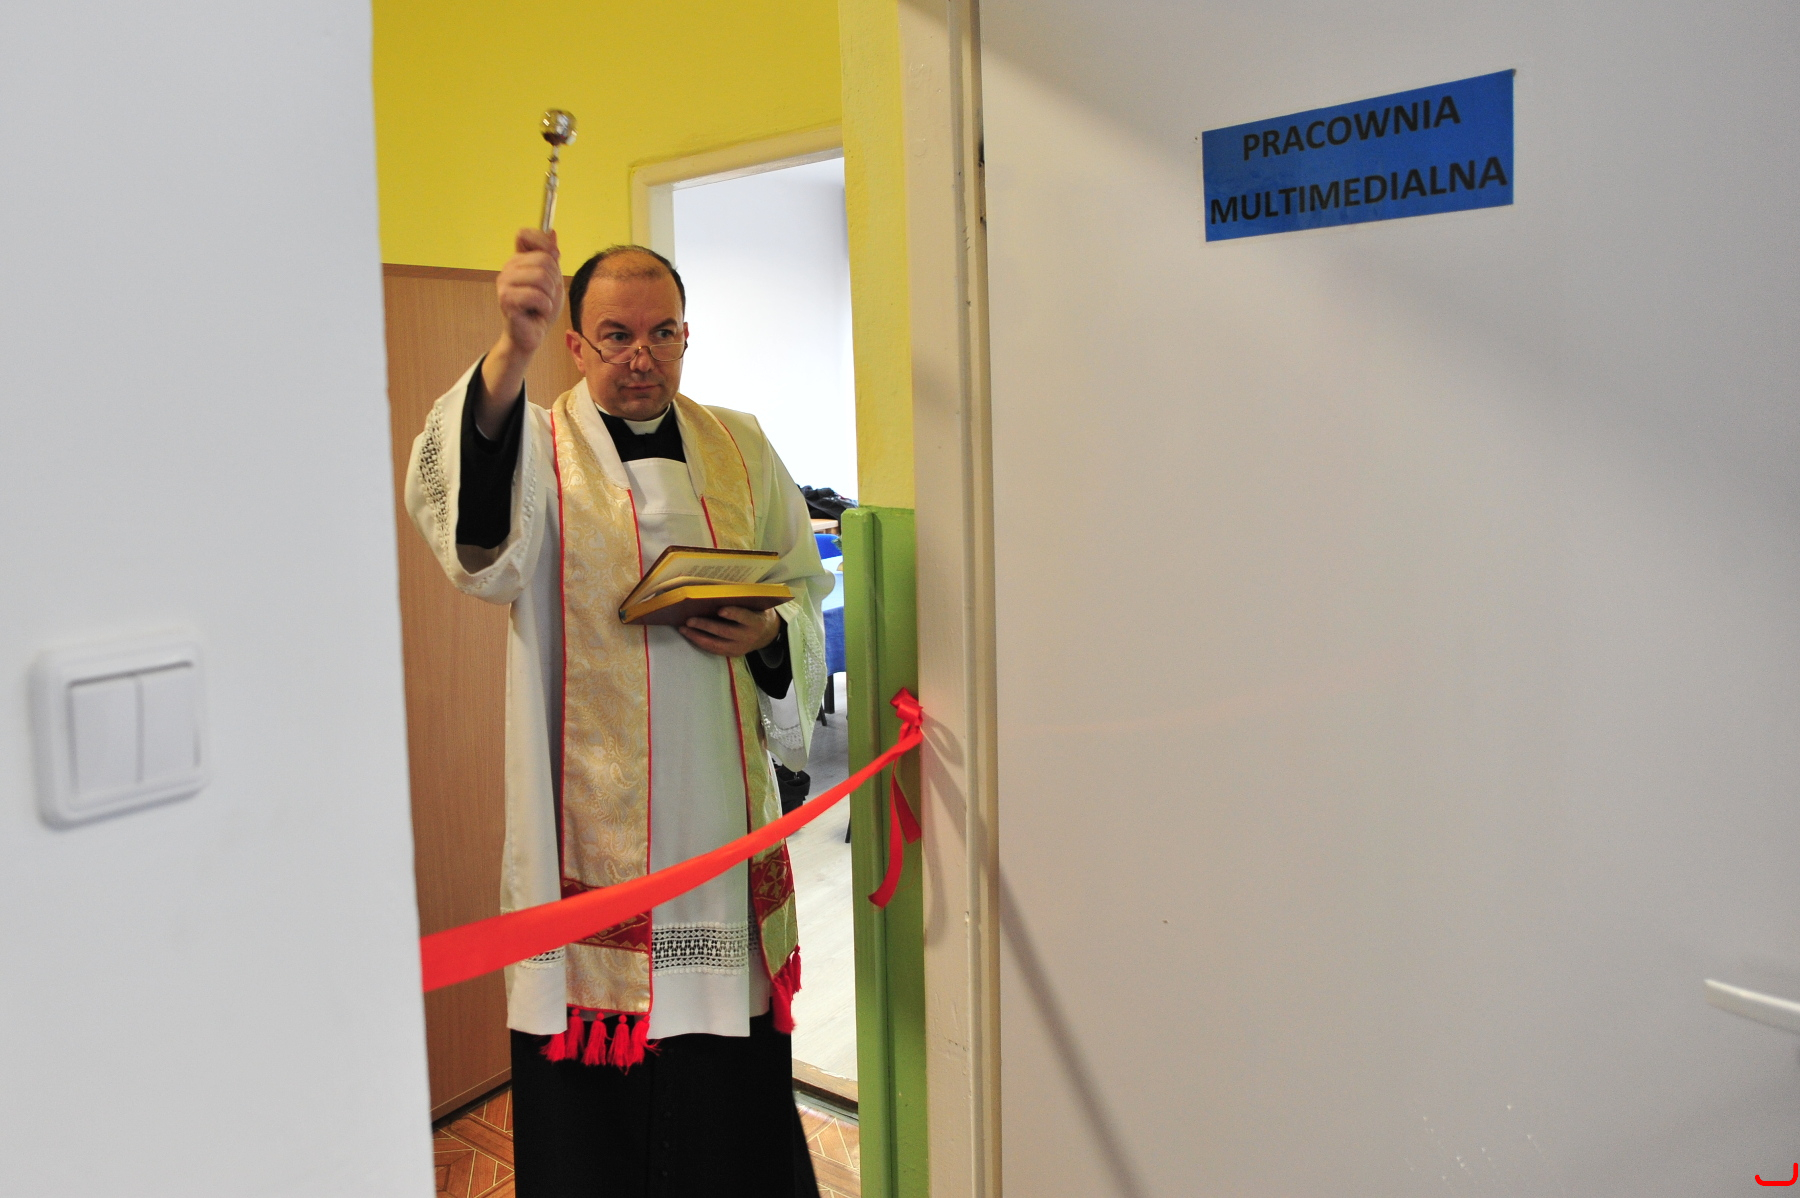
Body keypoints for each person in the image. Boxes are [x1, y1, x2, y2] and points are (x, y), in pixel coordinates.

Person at [405, 227, 833, 1197]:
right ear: (575, 343)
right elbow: (479, 556)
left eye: (663, 333)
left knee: (727, 1101)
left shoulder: (741, 443)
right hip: (584, 833)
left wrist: (767, 632)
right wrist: (507, 351)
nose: (643, 356)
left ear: (687, 336)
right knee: (600, 1114)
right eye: (616, 335)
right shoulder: (535, 444)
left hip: (719, 822)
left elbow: (801, 589)